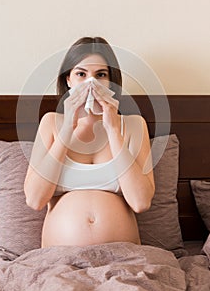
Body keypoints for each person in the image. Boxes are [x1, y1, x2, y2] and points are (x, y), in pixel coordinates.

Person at [24, 37, 155, 247]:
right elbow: (35, 200)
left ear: (111, 81)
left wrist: (113, 129)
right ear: (68, 79)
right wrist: (67, 129)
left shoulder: (134, 125)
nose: (90, 83)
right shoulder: (50, 123)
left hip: (123, 260)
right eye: (81, 74)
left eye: (100, 75)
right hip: (59, 261)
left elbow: (140, 202)